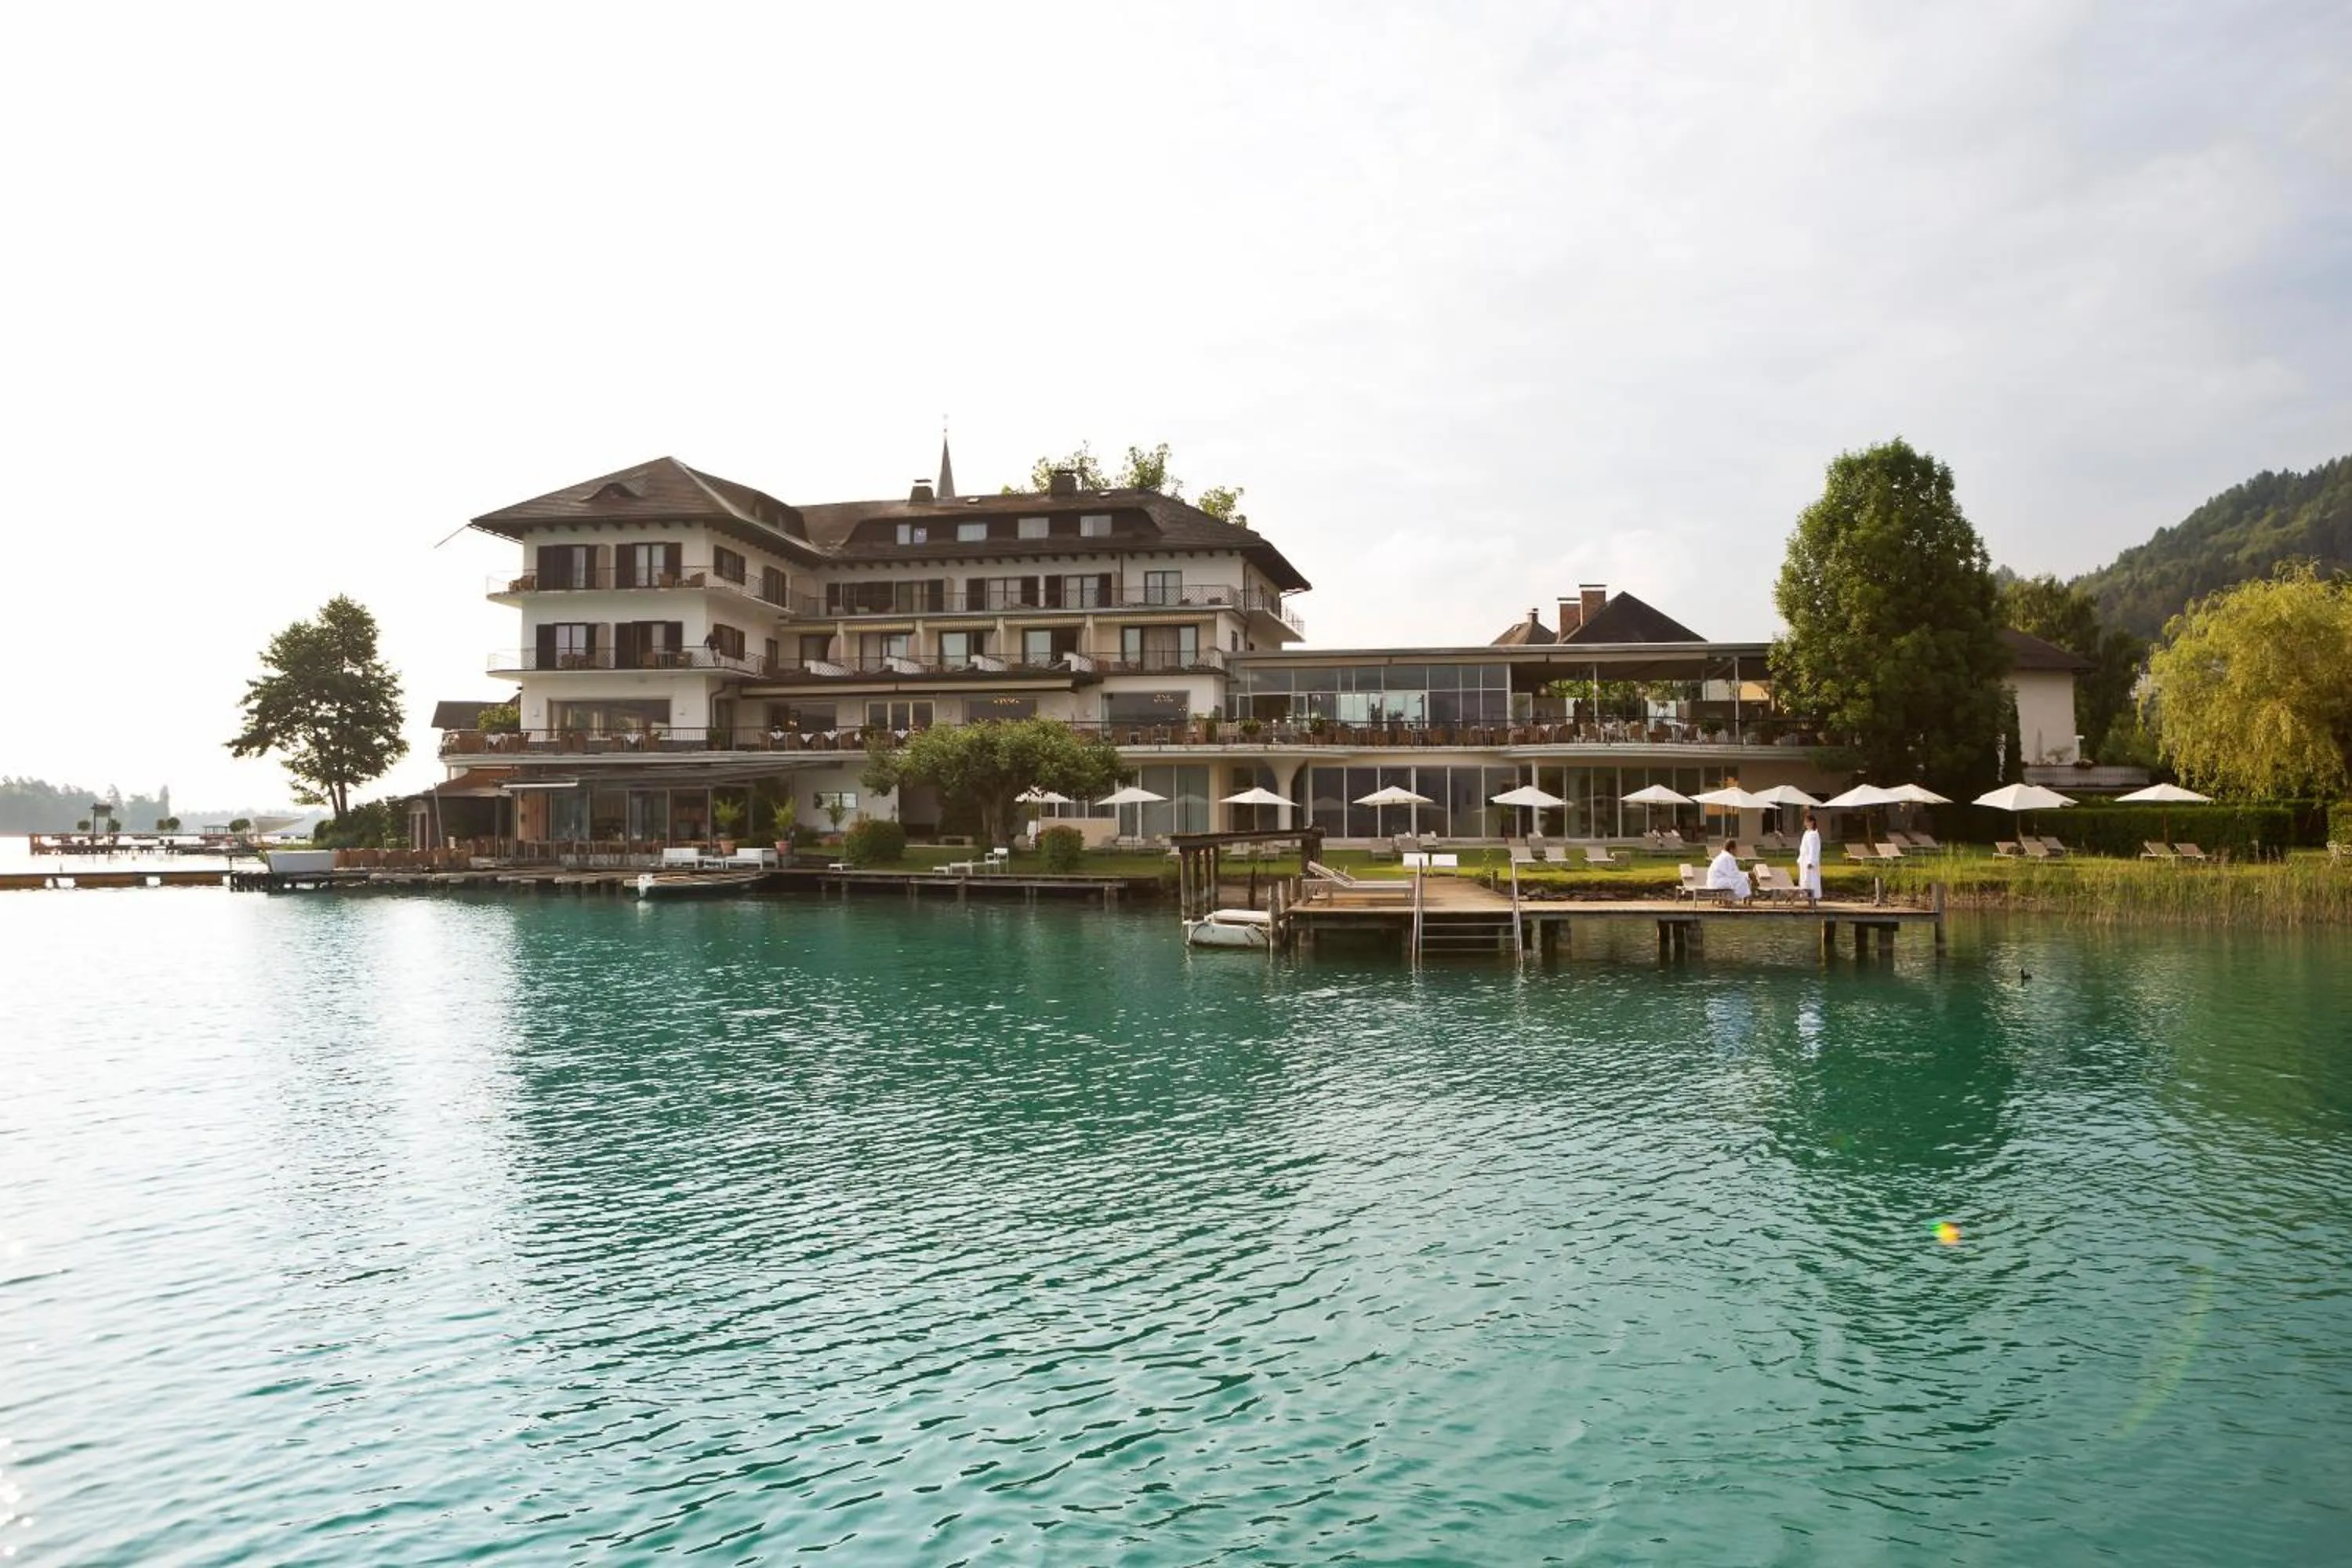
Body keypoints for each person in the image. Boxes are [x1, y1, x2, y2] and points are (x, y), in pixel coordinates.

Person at [1708, 837, 1754, 903]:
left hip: (1714, 882)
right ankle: (1750, 896)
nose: (1737, 851)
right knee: (1742, 881)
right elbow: (1733, 874)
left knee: (1742, 880)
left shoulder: (1723, 856)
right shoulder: (1728, 857)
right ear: (1732, 849)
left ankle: (1729, 899)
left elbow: (1731, 873)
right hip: (1718, 882)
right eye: (1736, 849)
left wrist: (1745, 875)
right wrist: (1747, 875)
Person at [1796, 811, 1824, 905]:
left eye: (1807, 821)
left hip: (1810, 861)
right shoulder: (1806, 833)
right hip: (1804, 860)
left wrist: (1811, 862)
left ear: (1812, 822)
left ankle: (1813, 899)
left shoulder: (1814, 834)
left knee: (1811, 880)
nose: (1805, 823)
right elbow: (1803, 848)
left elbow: (1814, 849)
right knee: (1805, 880)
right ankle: (1807, 898)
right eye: (1805, 821)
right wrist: (1800, 859)